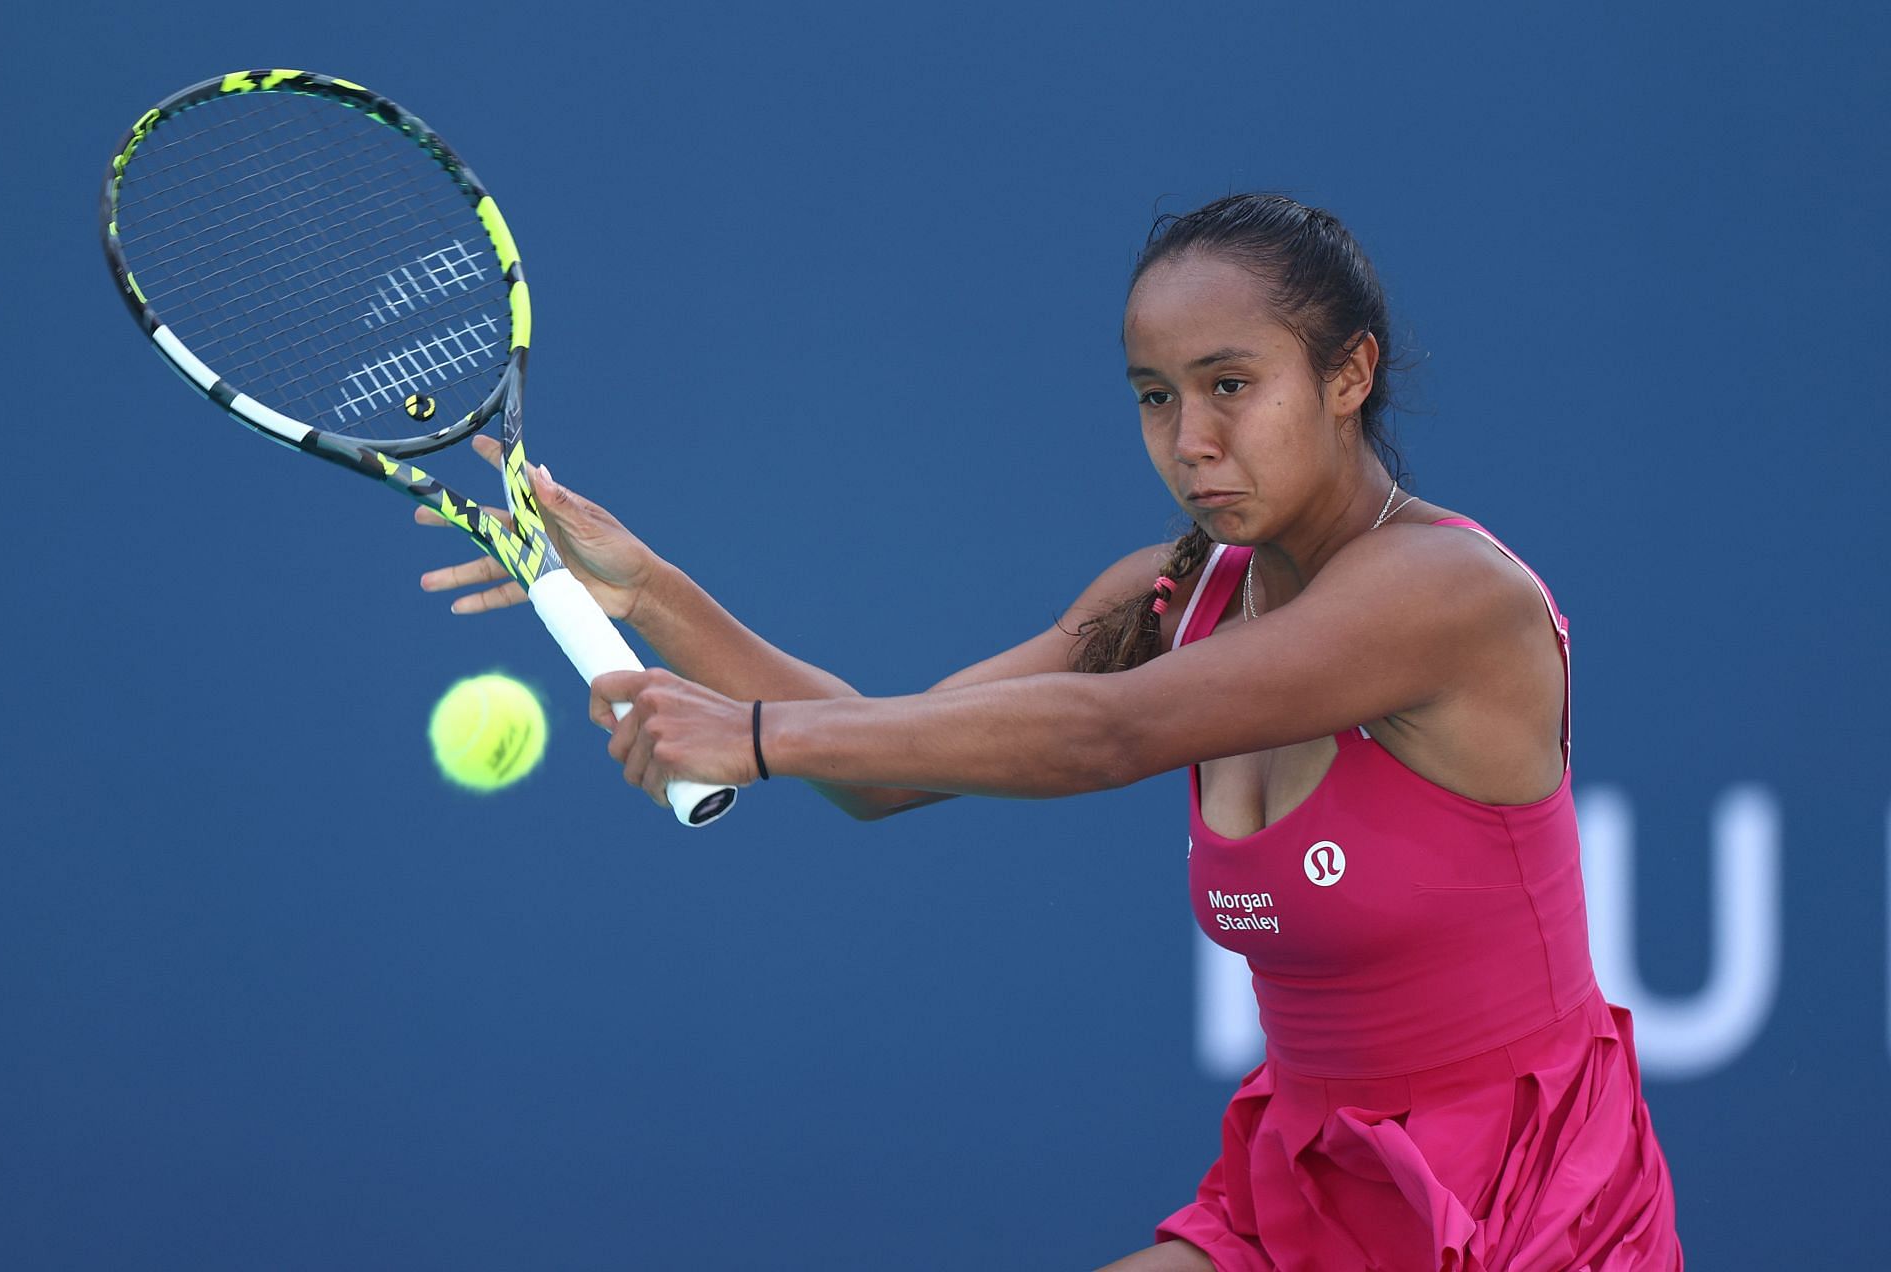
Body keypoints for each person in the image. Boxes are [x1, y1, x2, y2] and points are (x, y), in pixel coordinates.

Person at [419, 193, 1681, 1270]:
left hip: (1526, 1209)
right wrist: (649, 595)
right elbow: (884, 758)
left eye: (1232, 385)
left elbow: (1107, 734)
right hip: (1308, 1187)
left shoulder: (1444, 595)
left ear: (1348, 374)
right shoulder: (1176, 593)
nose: (1190, 442)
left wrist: (752, 738)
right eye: (1154, 397)